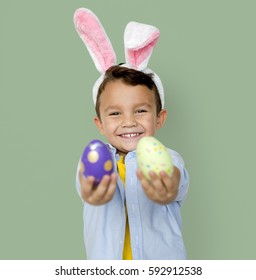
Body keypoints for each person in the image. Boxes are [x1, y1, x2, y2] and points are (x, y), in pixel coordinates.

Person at [74, 8, 189, 260]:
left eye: (140, 110)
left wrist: (166, 184)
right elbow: (84, 184)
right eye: (115, 114)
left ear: (159, 118)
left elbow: (175, 179)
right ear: (100, 124)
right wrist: (91, 189)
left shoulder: (169, 158)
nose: (129, 122)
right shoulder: (95, 159)